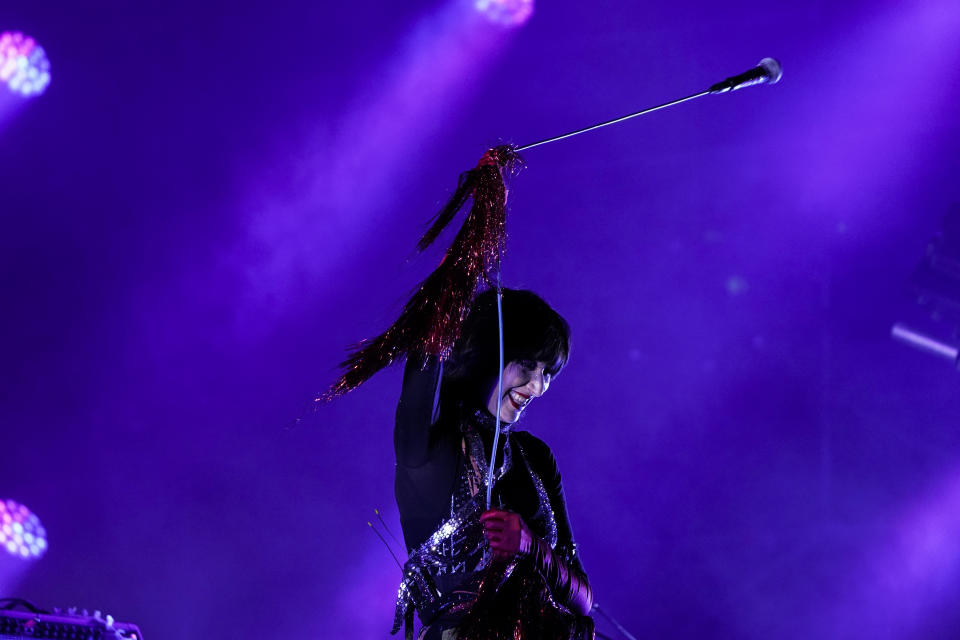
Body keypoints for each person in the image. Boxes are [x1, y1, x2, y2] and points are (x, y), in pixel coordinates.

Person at [391, 288, 594, 640]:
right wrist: (449, 289)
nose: (538, 386)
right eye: (529, 364)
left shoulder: (537, 457)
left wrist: (533, 547)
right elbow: (416, 396)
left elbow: (584, 599)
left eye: (547, 373)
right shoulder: (431, 449)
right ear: (490, 354)